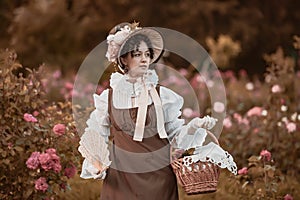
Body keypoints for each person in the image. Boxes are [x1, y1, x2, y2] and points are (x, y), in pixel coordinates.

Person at [78, 22, 218, 200]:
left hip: (158, 179)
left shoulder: (164, 96)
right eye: (137, 54)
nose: (144, 59)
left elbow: (175, 136)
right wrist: (96, 163)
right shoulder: (108, 98)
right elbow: (96, 134)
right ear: (123, 59)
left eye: (147, 54)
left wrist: (193, 127)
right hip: (121, 179)